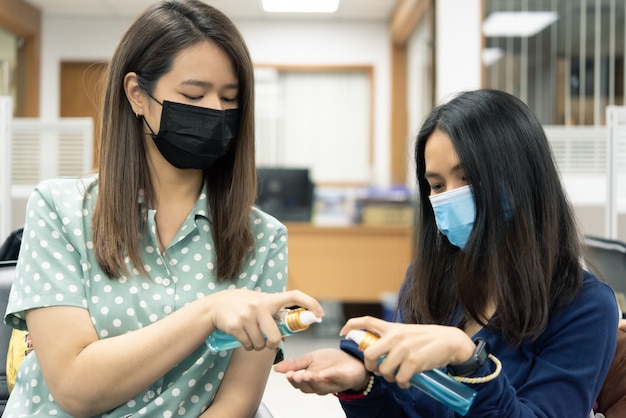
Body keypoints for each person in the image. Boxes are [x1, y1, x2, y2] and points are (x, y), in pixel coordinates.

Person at [3, 1, 324, 417]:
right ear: (137, 94)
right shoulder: (60, 210)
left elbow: (236, 403)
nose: (216, 111)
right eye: (193, 94)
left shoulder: (261, 238)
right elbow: (74, 389)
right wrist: (208, 312)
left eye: (230, 98)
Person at [274, 89, 619, 417]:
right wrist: (362, 384)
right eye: (437, 186)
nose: (449, 197)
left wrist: (468, 359)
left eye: (468, 178)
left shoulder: (584, 306)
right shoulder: (427, 282)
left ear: (521, 180)